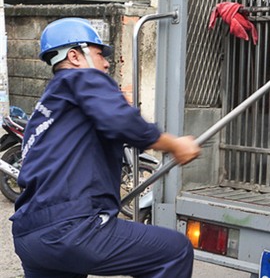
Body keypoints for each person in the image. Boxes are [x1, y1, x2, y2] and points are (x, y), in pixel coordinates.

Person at [11, 17, 201, 278]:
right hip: (71, 229)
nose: (107, 62)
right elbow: (122, 121)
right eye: (100, 54)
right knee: (174, 250)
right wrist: (175, 144)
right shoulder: (82, 78)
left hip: (30, 236)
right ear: (75, 56)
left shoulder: (46, 110)